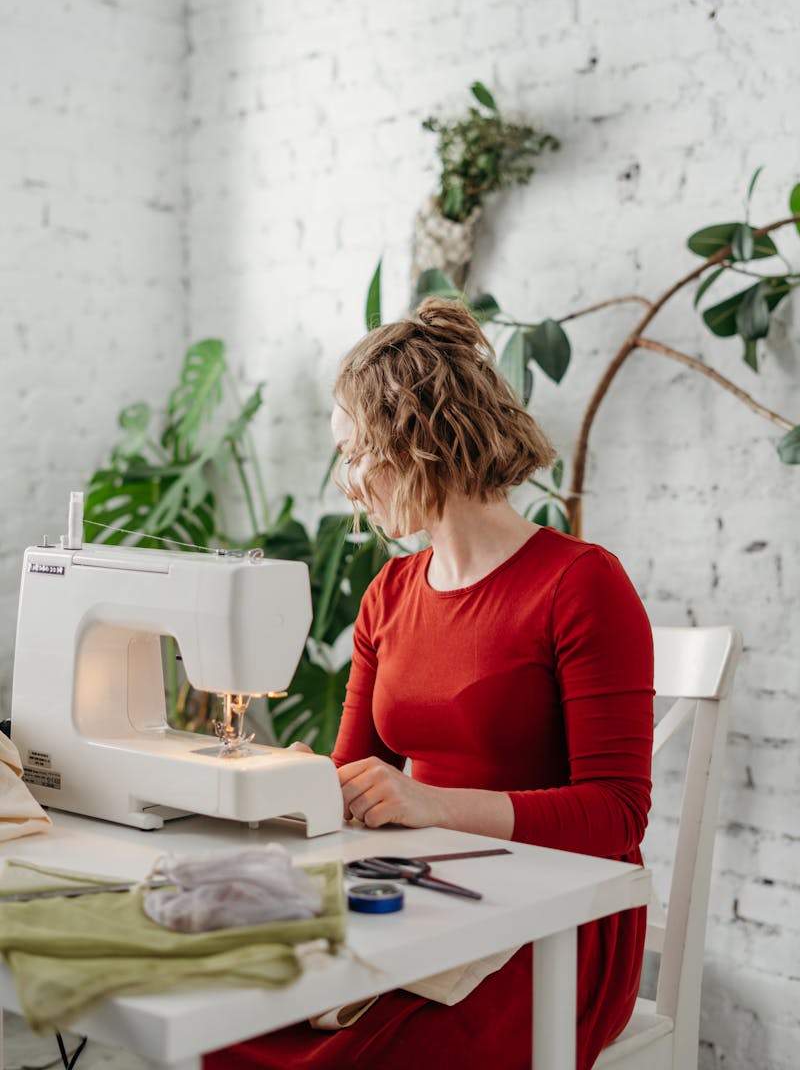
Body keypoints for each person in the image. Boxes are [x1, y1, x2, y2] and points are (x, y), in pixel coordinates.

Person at [205, 298, 654, 1070]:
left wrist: (430, 804)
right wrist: (293, 784)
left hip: (556, 926)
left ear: (415, 441)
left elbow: (617, 814)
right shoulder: (389, 593)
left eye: (353, 455)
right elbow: (352, 773)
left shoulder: (581, 585)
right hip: (422, 894)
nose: (347, 484)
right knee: (231, 1018)